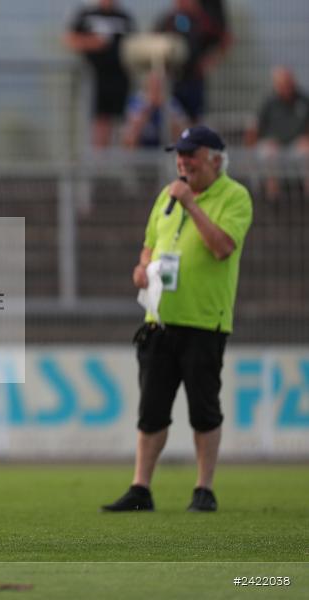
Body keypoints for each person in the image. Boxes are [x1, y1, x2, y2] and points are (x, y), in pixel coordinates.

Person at [102, 126, 252, 513]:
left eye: (191, 154)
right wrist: (141, 268)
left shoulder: (234, 196)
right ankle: (141, 487)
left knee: (204, 410)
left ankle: (204, 488)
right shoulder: (166, 196)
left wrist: (191, 206)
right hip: (159, 321)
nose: (182, 162)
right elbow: (149, 246)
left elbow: (222, 247)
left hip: (204, 322)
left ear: (215, 159)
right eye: (179, 155)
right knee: (151, 410)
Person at [64, 0, 136, 148]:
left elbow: (135, 45)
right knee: (99, 122)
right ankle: (99, 159)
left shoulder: (124, 17)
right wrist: (94, 43)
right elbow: (70, 39)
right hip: (95, 80)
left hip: (121, 80)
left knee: (123, 123)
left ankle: (120, 158)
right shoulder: (86, 15)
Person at [154, 0, 228, 123]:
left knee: (195, 120)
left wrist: (210, 61)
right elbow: (155, 38)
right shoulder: (168, 20)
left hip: (194, 80)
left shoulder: (203, 21)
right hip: (173, 80)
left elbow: (224, 40)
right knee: (173, 119)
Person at [245, 67, 309, 201]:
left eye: (288, 83)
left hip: (296, 144)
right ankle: (273, 198)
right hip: (272, 144)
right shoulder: (267, 102)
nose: (286, 88)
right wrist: (249, 154)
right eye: (282, 84)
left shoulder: (303, 100)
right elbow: (253, 129)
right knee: (269, 153)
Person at [122, 71, 187, 149]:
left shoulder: (171, 103)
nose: (156, 89)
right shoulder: (136, 102)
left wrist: (166, 110)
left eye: (159, 86)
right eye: (153, 85)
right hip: (140, 150)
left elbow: (183, 135)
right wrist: (148, 109)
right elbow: (129, 137)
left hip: (163, 148)